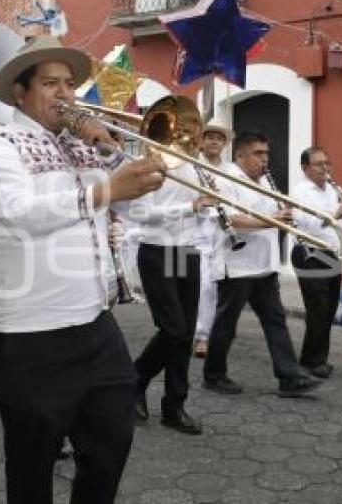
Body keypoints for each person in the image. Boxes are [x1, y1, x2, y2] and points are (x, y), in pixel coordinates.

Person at [0, 34, 166, 503]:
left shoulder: (85, 148)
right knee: (31, 467)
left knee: (111, 443)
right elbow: (24, 214)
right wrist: (106, 190)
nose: (65, 93)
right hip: (31, 334)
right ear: (20, 92)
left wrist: (118, 156)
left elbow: (144, 212)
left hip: (95, 325)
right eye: (50, 83)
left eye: (69, 85)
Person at [201, 131, 321, 397]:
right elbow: (229, 220)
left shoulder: (265, 180)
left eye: (266, 153)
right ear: (240, 155)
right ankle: (213, 374)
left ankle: (289, 376)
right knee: (226, 323)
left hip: (264, 264)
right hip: (237, 263)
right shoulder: (225, 179)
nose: (264, 159)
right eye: (258, 153)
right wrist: (272, 220)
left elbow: (271, 213)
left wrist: (284, 214)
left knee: (275, 319)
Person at [127, 96, 215, 436]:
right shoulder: (147, 163)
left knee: (185, 334)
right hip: (156, 250)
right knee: (173, 329)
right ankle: (136, 379)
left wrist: (209, 204)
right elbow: (141, 214)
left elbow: (201, 210)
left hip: (186, 251)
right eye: (182, 128)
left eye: (193, 128)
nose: (190, 135)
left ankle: (174, 406)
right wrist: (189, 208)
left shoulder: (195, 166)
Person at [290, 147, 342, 378]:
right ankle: (309, 361)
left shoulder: (331, 189)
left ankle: (319, 358)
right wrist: (337, 212)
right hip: (310, 254)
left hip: (331, 255)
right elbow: (306, 223)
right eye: (318, 164)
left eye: (327, 163)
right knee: (317, 309)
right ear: (305, 168)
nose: (325, 168)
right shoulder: (300, 192)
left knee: (328, 310)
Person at [193, 117, 235, 358]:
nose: (215, 142)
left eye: (219, 138)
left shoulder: (231, 170)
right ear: (201, 140)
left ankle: (217, 329)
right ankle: (202, 335)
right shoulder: (192, 164)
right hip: (199, 229)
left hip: (225, 230)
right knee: (205, 285)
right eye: (210, 137)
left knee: (222, 284)